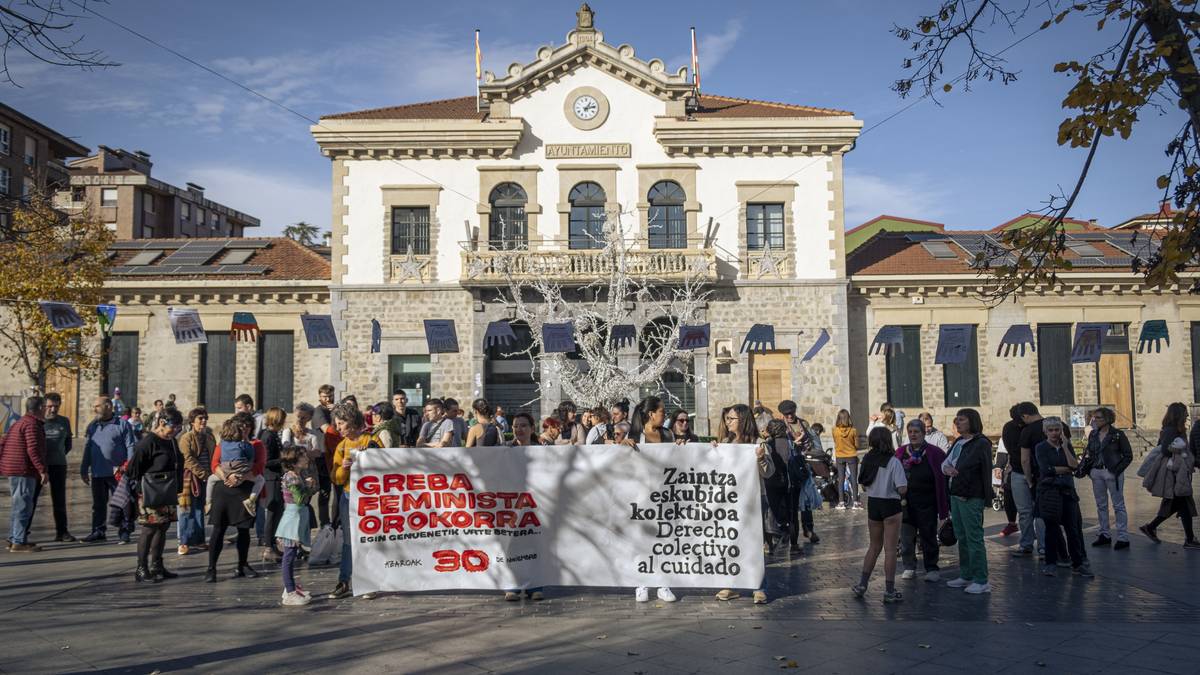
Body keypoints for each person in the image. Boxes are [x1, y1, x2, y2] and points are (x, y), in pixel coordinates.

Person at [126, 408, 185, 582]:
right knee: (149, 529)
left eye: (178, 428)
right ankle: (141, 567)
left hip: (167, 490)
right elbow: (132, 469)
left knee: (163, 527)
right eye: (173, 427)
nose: (175, 431)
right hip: (150, 492)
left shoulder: (171, 442)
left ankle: (157, 565)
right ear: (161, 423)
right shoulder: (148, 442)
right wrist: (144, 485)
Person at [851, 427, 908, 603]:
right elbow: (902, 488)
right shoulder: (893, 461)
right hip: (890, 504)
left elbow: (863, 484)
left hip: (873, 503)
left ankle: (862, 584)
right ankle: (889, 591)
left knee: (874, 547)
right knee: (890, 549)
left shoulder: (866, 459)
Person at [204, 413, 263, 582]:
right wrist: (227, 477)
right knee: (218, 529)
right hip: (224, 488)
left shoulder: (255, 444)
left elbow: (259, 465)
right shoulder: (223, 444)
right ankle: (211, 568)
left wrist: (241, 477)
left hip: (244, 488)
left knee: (243, 530)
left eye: (246, 426)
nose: (244, 428)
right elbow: (214, 464)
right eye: (240, 426)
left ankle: (242, 564)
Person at [942, 408, 994, 594]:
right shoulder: (959, 441)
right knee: (961, 536)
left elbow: (980, 470)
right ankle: (966, 574)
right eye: (957, 419)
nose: (957, 422)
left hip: (971, 495)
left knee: (973, 537)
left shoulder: (981, 443)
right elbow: (946, 462)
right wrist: (947, 470)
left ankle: (981, 579)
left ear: (971, 421)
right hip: (956, 494)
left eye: (962, 419)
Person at [1035, 417, 1093, 577]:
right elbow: (1045, 469)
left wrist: (1066, 446)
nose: (1054, 433)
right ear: (1045, 432)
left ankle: (1078, 563)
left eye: (1057, 429)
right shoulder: (1041, 447)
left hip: (1067, 491)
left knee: (1072, 529)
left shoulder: (1065, 446)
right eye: (1051, 430)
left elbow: (1074, 466)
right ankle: (1051, 562)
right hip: (1050, 491)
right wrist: (1063, 469)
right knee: (1052, 529)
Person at [1013, 402, 1073, 559]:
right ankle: (1046, 547)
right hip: (1061, 478)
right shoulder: (1062, 426)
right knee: (1055, 515)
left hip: (1039, 477)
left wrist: (1029, 480)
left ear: (1025, 416)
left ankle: (1028, 545)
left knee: (1028, 512)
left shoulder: (1027, 431)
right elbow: (1069, 452)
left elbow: (1025, 459)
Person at [714, 403, 760, 602]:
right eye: (727, 418)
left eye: (732, 418)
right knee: (729, 541)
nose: (728, 422)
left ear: (743, 420)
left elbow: (770, 472)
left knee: (754, 542)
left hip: (752, 500)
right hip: (730, 502)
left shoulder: (758, 442)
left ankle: (759, 586)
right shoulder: (726, 442)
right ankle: (730, 584)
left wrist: (763, 459)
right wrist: (712, 454)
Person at [330, 404, 376, 599]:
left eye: (341, 423)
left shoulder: (370, 439)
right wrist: (345, 468)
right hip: (348, 496)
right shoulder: (341, 446)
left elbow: (386, 463)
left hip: (369, 499)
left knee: (368, 540)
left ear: (352, 422)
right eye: (337, 424)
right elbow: (336, 478)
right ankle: (344, 580)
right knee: (349, 542)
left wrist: (372, 453)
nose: (338, 427)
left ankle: (369, 581)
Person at [1139, 402, 1199, 549]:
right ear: (1178, 414)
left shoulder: (1175, 429)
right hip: (1172, 473)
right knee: (1182, 503)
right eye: (1184, 412)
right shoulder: (1170, 430)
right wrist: (1181, 449)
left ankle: (1152, 527)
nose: (1186, 415)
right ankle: (1188, 539)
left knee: (1178, 503)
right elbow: (1165, 450)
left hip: (1177, 472)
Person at [896, 418, 948, 583]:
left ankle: (932, 567)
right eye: (910, 432)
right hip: (906, 503)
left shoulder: (935, 453)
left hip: (928, 502)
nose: (913, 435)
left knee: (928, 536)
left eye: (916, 432)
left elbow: (943, 477)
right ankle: (909, 566)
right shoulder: (901, 452)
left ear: (923, 433)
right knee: (906, 537)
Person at [81, 396, 137, 544]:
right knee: (98, 504)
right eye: (94, 406)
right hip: (98, 472)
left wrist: (128, 467)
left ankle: (125, 532)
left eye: (97, 406)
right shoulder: (93, 426)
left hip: (118, 473)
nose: (95, 409)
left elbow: (130, 446)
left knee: (124, 503)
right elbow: (88, 448)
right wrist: (83, 468)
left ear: (108, 406)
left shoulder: (122, 424)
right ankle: (98, 531)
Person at [502, 412, 545, 602]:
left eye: (523, 426)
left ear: (532, 428)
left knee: (535, 543)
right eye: (515, 426)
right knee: (511, 544)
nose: (519, 429)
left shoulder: (543, 450)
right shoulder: (503, 450)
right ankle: (512, 585)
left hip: (536, 504)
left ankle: (536, 586)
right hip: (510, 504)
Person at [1, 396, 48, 552]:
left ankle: (15, 537)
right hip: (23, 470)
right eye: (45, 406)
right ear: (40, 407)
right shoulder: (31, 424)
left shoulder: (20, 422)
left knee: (18, 505)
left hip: (15, 469)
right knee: (23, 506)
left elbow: (3, 442)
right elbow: (32, 448)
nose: (47, 409)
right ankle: (19, 542)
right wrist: (42, 469)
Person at [1083, 407, 1133, 549]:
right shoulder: (1093, 434)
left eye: (1099, 418)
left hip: (1112, 472)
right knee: (1101, 505)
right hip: (1097, 472)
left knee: (1118, 505)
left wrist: (1117, 470)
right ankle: (1104, 533)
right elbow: (1091, 452)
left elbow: (1128, 455)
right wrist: (1090, 469)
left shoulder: (1117, 434)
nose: (1096, 420)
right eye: (1095, 417)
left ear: (1107, 419)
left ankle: (1123, 536)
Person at [277, 445, 317, 606]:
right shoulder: (292, 477)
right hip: (292, 518)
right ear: (293, 461)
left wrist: (308, 486)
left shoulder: (297, 475)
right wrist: (307, 486)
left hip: (297, 517)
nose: (306, 458)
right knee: (289, 555)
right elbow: (300, 499)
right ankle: (290, 592)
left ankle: (290, 587)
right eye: (303, 456)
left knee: (292, 554)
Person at [777, 400, 820, 549]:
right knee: (791, 503)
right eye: (786, 414)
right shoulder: (780, 426)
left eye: (791, 413)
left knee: (806, 499)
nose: (789, 416)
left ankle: (808, 529)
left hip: (803, 466)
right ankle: (787, 533)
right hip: (788, 468)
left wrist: (804, 443)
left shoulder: (804, 424)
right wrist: (795, 442)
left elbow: (813, 443)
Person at [177, 407, 214, 556]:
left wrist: (209, 475)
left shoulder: (210, 437)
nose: (203, 421)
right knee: (186, 510)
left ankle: (199, 540)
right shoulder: (186, 438)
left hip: (206, 478)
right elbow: (188, 459)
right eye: (200, 418)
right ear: (193, 422)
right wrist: (202, 473)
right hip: (190, 478)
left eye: (205, 418)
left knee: (200, 509)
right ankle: (184, 542)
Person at [40, 392, 74, 542]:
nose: (53, 410)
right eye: (50, 406)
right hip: (38, 466)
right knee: (31, 499)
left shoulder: (64, 421)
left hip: (59, 465)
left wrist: (59, 454)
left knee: (59, 500)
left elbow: (68, 444)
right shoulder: (38, 421)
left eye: (56, 406)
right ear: (43, 406)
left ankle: (62, 532)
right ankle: (22, 534)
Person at [259, 407, 288, 563]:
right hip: (271, 479)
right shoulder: (268, 436)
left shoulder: (272, 435)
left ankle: (273, 545)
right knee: (271, 514)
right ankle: (268, 547)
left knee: (277, 513)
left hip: (276, 478)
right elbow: (266, 461)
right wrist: (283, 459)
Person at [311, 385, 338, 529]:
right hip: (322, 456)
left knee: (336, 490)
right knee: (325, 491)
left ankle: (334, 522)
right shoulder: (319, 411)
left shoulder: (333, 410)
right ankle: (324, 523)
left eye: (330, 396)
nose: (327, 399)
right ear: (319, 397)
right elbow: (328, 430)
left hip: (333, 455)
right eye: (324, 396)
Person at [996, 405, 1024, 538]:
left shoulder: (1031, 429)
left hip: (1031, 466)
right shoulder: (1009, 430)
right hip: (1014, 466)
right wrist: (998, 467)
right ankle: (1012, 523)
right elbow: (1003, 451)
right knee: (1007, 491)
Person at [833, 409, 861, 509]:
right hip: (851, 455)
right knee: (854, 479)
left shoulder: (834, 430)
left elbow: (836, 442)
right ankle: (855, 502)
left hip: (840, 455)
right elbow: (857, 445)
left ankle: (841, 502)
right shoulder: (853, 430)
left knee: (841, 479)